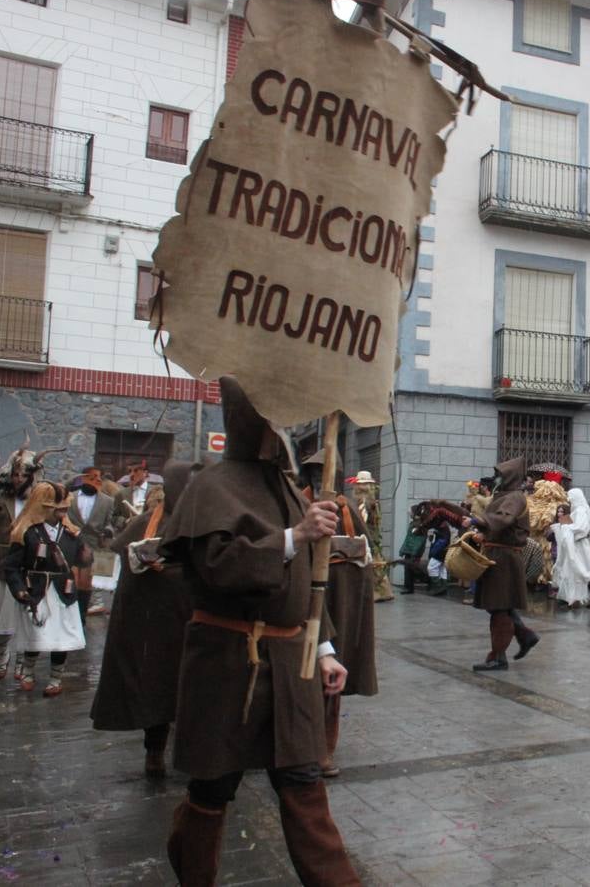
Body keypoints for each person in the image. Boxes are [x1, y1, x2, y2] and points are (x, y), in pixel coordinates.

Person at [157, 376, 358, 886]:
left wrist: (327, 649)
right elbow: (218, 567)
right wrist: (295, 535)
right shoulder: (210, 486)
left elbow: (306, 582)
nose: (283, 429)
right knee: (212, 790)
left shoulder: (287, 488)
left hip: (291, 666)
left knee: (303, 784)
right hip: (228, 665)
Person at [90, 462, 197, 777]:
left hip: (194, 623)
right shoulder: (148, 522)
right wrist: (141, 559)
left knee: (194, 691)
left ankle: (194, 754)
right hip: (156, 626)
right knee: (157, 689)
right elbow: (122, 551)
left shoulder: (201, 520)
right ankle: (154, 753)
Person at [0, 446, 53, 682]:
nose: (18, 479)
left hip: (29, 566)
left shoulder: (40, 498)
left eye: (23, 475)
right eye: (15, 474)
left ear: (31, 476)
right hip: (0, 564)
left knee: (26, 616)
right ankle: (0, 659)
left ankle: (20, 663)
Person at [1, 481, 89, 695]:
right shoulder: (27, 533)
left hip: (64, 592)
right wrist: (19, 589)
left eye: (65, 510)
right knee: (36, 634)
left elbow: (83, 559)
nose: (62, 514)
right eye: (58, 510)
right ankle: (28, 672)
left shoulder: (71, 534)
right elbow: (11, 566)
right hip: (37, 591)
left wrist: (87, 555)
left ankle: (56, 678)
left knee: (61, 637)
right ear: (43, 507)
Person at [318, 478, 379, 779]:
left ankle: (323, 749)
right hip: (312, 595)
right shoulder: (304, 504)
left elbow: (366, 543)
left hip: (338, 596)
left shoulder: (349, 508)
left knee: (330, 672)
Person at [467, 457, 538, 671]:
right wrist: (482, 533)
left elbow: (503, 520)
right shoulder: (506, 496)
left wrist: (477, 522)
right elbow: (498, 526)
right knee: (500, 605)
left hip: (504, 558)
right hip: (498, 554)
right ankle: (525, 636)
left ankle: (499, 657)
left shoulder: (515, 497)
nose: (497, 478)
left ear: (509, 477)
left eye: (501, 475)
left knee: (498, 607)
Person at [67, 467, 117, 619]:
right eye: (92, 477)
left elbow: (110, 522)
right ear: (83, 478)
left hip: (94, 546)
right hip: (72, 543)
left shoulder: (108, 501)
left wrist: (108, 531)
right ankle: (70, 614)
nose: (97, 480)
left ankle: (81, 616)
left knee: (86, 584)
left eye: (99, 477)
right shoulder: (70, 497)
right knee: (71, 581)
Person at [551, 484, 590, 609]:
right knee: (575, 571)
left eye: (571, 498)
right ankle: (572, 598)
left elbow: (581, 527)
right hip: (579, 544)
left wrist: (565, 527)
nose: (569, 500)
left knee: (583, 570)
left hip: (582, 546)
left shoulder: (581, 511)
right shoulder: (579, 510)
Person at [350, 470, 394, 604]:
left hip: (367, 537)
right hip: (370, 537)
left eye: (361, 485)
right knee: (376, 565)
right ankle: (383, 592)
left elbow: (363, 521)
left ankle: (376, 593)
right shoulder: (369, 502)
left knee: (371, 565)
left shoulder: (366, 503)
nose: (359, 487)